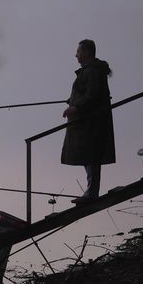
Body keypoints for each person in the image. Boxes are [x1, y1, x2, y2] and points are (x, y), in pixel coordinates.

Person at [61, 39, 115, 204]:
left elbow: (92, 96)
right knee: (89, 156)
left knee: (91, 156)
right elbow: (88, 93)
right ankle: (91, 191)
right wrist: (72, 100)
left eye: (78, 51)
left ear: (86, 53)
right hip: (88, 123)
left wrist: (75, 107)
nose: (75, 55)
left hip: (91, 124)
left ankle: (91, 193)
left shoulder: (92, 71)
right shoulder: (91, 71)